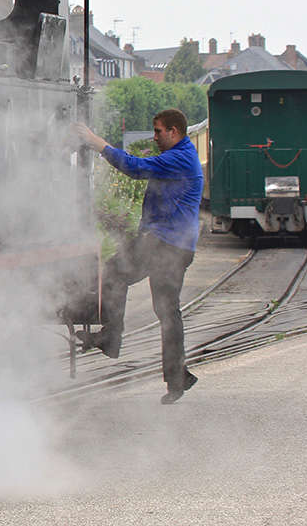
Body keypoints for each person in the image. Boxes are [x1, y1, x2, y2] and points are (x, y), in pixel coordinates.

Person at [73, 109, 205, 404]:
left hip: (165, 244)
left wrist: (98, 143)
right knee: (167, 312)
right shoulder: (182, 155)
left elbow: (134, 168)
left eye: (158, 131)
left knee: (113, 272)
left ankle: (111, 336)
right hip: (171, 244)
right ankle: (177, 377)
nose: (154, 137)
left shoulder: (180, 158)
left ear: (174, 131)